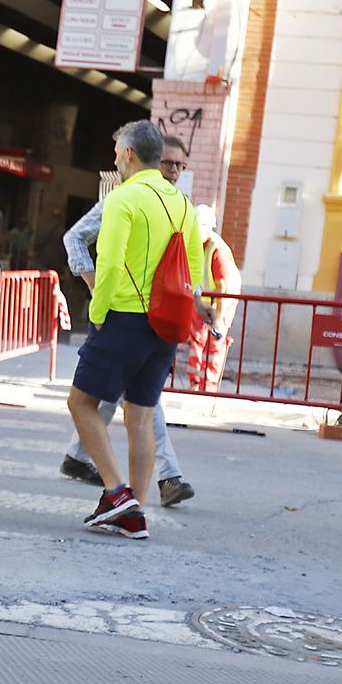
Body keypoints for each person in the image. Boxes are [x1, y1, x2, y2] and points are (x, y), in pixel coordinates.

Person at [67, 121, 212, 541]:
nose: (115, 159)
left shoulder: (123, 198)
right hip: (166, 325)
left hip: (125, 317)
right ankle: (136, 513)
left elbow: (110, 263)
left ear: (129, 154)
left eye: (117, 152)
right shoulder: (182, 204)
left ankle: (116, 493)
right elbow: (194, 268)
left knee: (81, 403)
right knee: (141, 416)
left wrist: (97, 312)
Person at [187, 203, 241, 392]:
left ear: (209, 228)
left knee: (215, 341)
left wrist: (218, 318)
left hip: (223, 299)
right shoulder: (195, 244)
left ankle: (208, 387)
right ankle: (195, 384)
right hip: (203, 298)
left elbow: (223, 287)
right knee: (197, 338)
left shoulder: (218, 250)